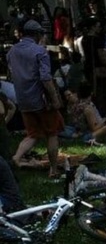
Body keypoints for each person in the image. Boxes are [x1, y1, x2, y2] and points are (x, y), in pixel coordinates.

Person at [8, 20, 63, 179]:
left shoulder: (12, 51)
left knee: (32, 134)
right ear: (37, 34)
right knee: (52, 133)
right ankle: (53, 170)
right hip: (41, 100)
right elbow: (46, 78)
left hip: (23, 99)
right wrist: (55, 99)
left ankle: (16, 158)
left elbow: (12, 73)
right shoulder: (40, 51)